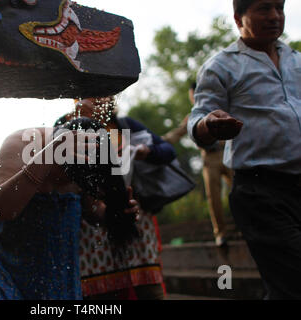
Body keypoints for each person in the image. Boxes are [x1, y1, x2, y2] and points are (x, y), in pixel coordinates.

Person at [188, 0, 301, 299]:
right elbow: (198, 119)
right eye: (264, 9)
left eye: (279, 8)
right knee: (292, 279)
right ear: (239, 18)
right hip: (261, 192)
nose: (275, 16)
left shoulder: (296, 60)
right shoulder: (222, 65)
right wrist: (210, 125)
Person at [0, 121, 140, 300]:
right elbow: (3, 210)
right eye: (62, 176)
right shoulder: (21, 143)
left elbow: (92, 211)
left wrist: (117, 214)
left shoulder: (85, 161)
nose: (62, 186)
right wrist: (46, 157)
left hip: (49, 248)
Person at [56, 97, 176, 300]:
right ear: (77, 97)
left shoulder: (123, 125)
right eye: (95, 93)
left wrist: (146, 152)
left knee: (147, 287)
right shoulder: (65, 125)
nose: (103, 99)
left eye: (107, 93)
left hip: (132, 213)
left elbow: (168, 151)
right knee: (102, 289)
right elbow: (57, 168)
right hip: (90, 222)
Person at [163, 83, 233, 247]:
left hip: (228, 153)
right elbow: (176, 133)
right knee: (213, 197)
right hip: (209, 159)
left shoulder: (219, 109)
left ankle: (248, 225)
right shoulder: (192, 117)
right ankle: (220, 233)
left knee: (240, 190)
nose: (193, 98)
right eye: (192, 96)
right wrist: (156, 141)